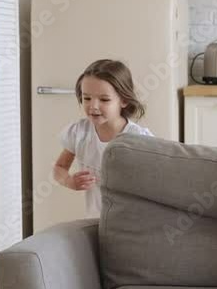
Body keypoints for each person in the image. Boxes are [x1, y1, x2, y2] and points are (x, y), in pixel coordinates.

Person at [53, 59, 153, 217]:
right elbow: (59, 167)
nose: (93, 106)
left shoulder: (138, 138)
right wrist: (69, 181)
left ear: (124, 100)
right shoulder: (79, 132)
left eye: (104, 99)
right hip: (95, 221)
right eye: (87, 98)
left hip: (131, 223)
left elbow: (154, 183)